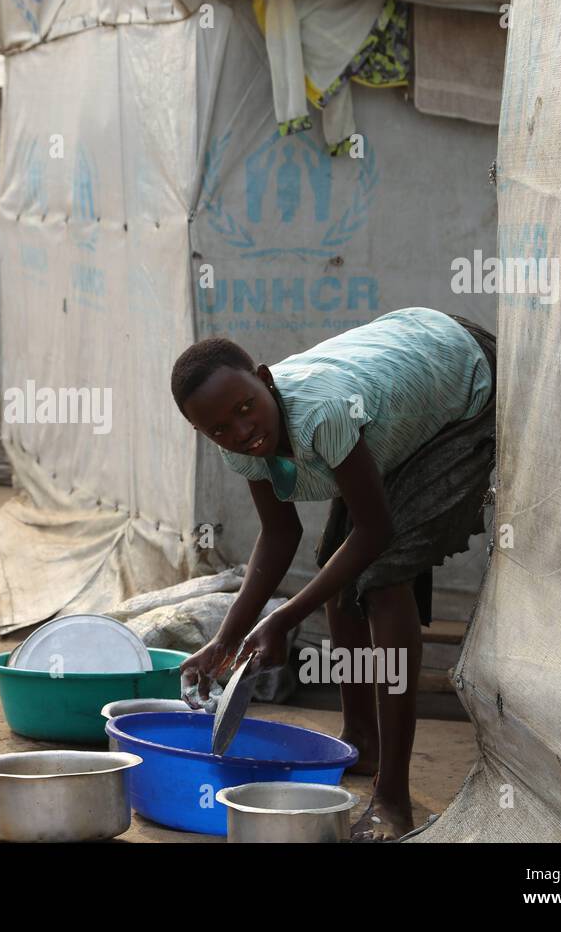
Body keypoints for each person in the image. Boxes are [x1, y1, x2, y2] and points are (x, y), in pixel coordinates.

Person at [171, 306, 496, 842]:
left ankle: (393, 799)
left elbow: (374, 533)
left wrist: (281, 619)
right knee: (341, 581)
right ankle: (360, 742)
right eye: (219, 428)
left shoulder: (322, 412)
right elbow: (280, 535)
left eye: (246, 408)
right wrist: (227, 639)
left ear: (264, 379)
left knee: (383, 579)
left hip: (461, 378)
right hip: (403, 381)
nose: (242, 431)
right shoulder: (242, 445)